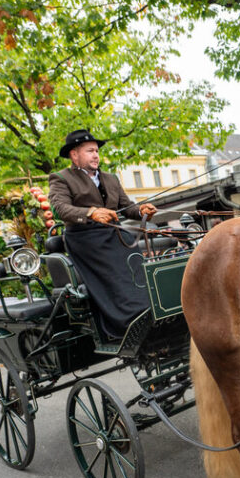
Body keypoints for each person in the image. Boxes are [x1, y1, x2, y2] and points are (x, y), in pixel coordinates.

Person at [48, 129, 157, 340]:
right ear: (74, 155)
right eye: (90, 151)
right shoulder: (61, 178)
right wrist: (91, 213)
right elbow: (60, 208)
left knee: (134, 260)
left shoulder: (111, 178)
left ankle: (148, 309)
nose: (96, 155)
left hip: (113, 234)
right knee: (114, 269)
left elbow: (127, 208)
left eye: (96, 151)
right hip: (84, 239)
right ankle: (127, 322)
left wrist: (142, 210)